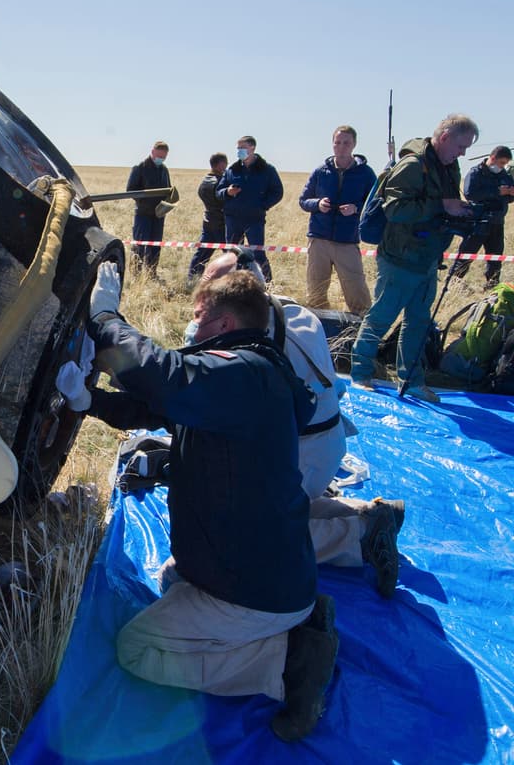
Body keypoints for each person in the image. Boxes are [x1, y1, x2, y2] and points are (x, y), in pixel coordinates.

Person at [60, 263, 337, 741]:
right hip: (264, 572)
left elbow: (161, 377)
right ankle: (289, 621)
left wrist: (104, 319)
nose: (191, 326)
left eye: (198, 316)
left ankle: (288, 662)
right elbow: (154, 406)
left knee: (137, 649)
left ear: (224, 324)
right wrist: (91, 402)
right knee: (170, 580)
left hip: (258, 591)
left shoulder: (243, 376)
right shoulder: (244, 380)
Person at [202, 251, 403, 599]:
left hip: (303, 452)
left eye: (211, 286)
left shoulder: (249, 334)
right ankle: (370, 515)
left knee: (242, 535)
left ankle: (359, 539)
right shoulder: (292, 310)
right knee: (277, 500)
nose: (203, 294)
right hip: (325, 443)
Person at [349, 114, 480, 403]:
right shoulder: (412, 165)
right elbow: (395, 210)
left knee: (419, 323)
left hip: (427, 258)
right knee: (381, 317)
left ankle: (411, 380)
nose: (463, 153)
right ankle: (360, 374)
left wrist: (460, 211)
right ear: (445, 137)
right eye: (461, 146)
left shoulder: (447, 167)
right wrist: (441, 205)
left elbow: (441, 206)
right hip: (399, 258)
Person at [298, 126, 377, 313]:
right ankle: (319, 331)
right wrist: (317, 204)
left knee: (357, 293)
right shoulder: (320, 171)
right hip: (319, 240)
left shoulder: (365, 173)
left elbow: (375, 204)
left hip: (347, 241)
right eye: (337, 142)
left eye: (346, 143)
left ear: (354, 145)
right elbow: (303, 200)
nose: (341, 147)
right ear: (332, 144)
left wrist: (356, 209)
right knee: (315, 293)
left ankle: (361, 332)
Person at [218, 136, 284, 282]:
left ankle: (266, 285)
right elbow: (219, 191)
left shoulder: (267, 170)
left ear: (252, 148)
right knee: (232, 254)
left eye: (242, 148)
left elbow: (277, 192)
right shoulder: (232, 170)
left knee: (258, 254)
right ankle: (233, 283)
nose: (239, 151)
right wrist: (227, 192)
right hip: (233, 218)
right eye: (238, 149)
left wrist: (263, 205)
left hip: (255, 219)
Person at [454, 145, 514, 287]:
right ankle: (455, 283)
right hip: (478, 222)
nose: (503, 166)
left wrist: (510, 193)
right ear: (493, 158)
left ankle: (492, 284)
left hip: (497, 222)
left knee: (495, 257)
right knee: (466, 254)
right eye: (501, 163)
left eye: (505, 164)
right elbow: (470, 193)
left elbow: (508, 198)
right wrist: (496, 192)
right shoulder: (476, 173)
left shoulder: (504, 176)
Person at [127, 141, 172, 275]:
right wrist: (146, 200)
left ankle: (152, 272)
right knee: (140, 245)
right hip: (143, 214)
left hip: (158, 215)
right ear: (153, 152)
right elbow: (131, 190)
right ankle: (136, 273)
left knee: (155, 245)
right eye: (159, 156)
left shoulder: (164, 170)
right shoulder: (140, 168)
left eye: (164, 157)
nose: (161, 159)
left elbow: (168, 189)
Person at [187, 152, 229, 283]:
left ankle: (192, 279)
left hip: (208, 220)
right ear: (220, 164)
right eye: (225, 164)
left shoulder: (204, 181)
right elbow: (223, 200)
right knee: (232, 255)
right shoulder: (219, 182)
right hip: (221, 223)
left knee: (202, 254)